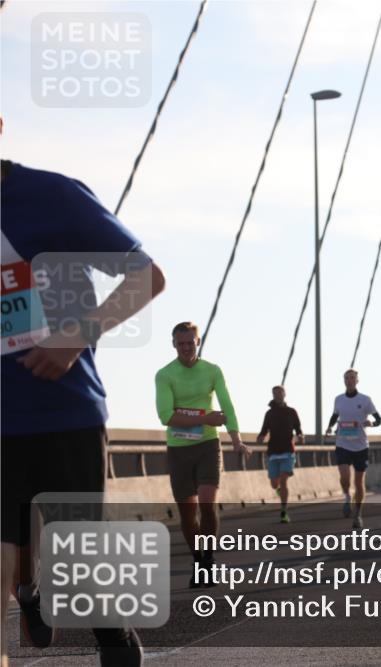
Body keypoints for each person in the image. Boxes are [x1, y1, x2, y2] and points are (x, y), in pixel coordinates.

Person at [1, 157, 165, 667]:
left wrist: (73, 338)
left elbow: (146, 276)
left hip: (63, 413)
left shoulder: (53, 195)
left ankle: (110, 633)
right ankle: (29, 593)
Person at [155, 322, 249, 588]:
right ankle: (198, 560)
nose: (186, 348)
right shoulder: (164, 375)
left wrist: (235, 437)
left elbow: (227, 405)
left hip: (208, 445)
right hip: (178, 449)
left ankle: (208, 560)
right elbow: (166, 415)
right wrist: (206, 417)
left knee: (207, 505)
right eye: (181, 343)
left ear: (198, 342)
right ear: (174, 344)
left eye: (190, 342)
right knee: (187, 514)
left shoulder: (212, 371)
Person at [325, 368, 381, 529]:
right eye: (347, 378)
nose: (349, 380)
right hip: (343, 443)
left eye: (352, 378)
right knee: (344, 477)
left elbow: (379, 419)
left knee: (358, 482)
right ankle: (346, 497)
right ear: (344, 381)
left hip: (360, 446)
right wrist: (329, 428)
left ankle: (358, 514)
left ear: (357, 381)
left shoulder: (365, 400)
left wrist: (372, 423)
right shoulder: (339, 399)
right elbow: (335, 415)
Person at [257, 386, 304, 523]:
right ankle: (281, 491)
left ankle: (284, 511)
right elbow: (264, 430)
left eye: (280, 392)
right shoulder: (269, 413)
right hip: (273, 451)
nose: (278, 395)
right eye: (275, 393)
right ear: (273, 395)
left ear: (284, 394)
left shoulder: (291, 412)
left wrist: (300, 436)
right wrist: (260, 437)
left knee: (283, 481)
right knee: (274, 484)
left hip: (288, 450)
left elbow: (298, 428)